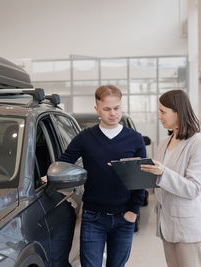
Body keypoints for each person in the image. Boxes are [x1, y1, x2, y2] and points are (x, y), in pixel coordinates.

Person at [58, 84, 146, 267]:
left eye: (117, 108)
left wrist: (133, 211)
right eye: (107, 109)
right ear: (97, 109)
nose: (113, 113)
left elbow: (141, 177)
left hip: (124, 217)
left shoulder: (135, 138)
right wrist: (49, 174)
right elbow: (64, 162)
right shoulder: (85, 137)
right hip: (93, 217)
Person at [140, 89, 201, 267]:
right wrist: (132, 172)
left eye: (163, 112)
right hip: (167, 225)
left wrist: (163, 172)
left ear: (178, 111)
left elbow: (194, 188)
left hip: (188, 229)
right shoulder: (165, 142)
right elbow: (157, 181)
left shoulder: (198, 142)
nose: (159, 116)